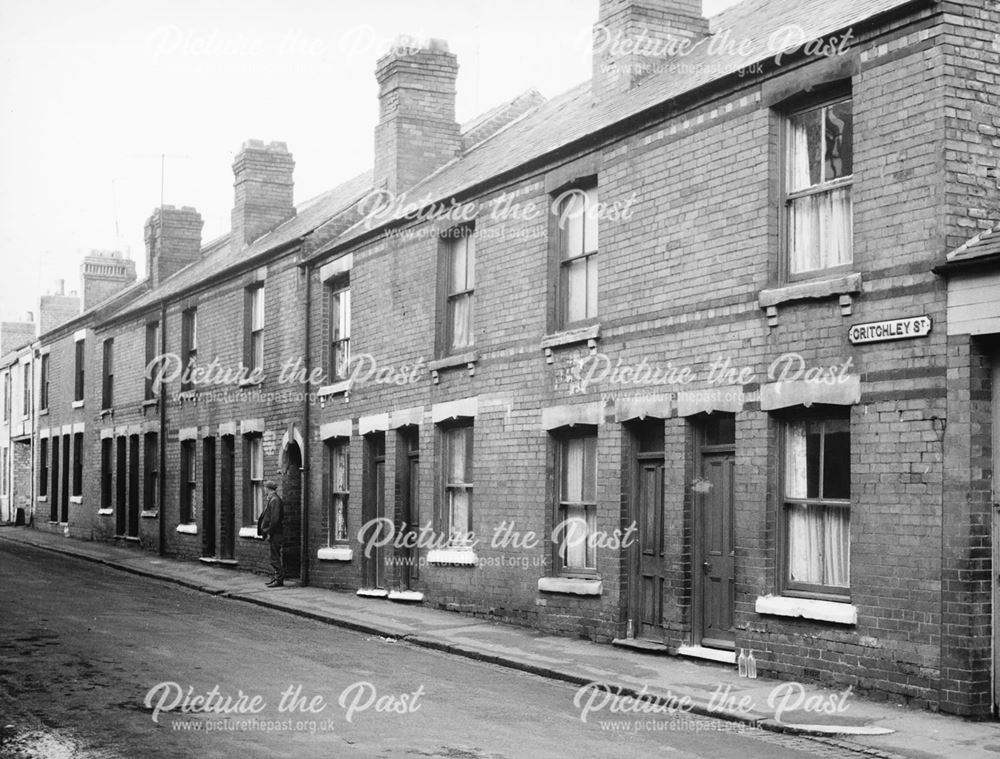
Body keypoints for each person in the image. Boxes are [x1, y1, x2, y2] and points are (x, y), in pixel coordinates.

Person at [257, 480, 284, 587]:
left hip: (276, 533)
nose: (264, 489)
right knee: (274, 557)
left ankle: (279, 580)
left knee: (275, 557)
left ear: (268, 489)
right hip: (274, 533)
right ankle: (276, 578)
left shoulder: (275, 500)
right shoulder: (272, 499)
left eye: (264, 488)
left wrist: (269, 532)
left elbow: (275, 520)